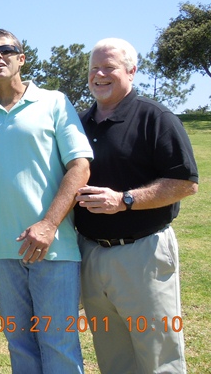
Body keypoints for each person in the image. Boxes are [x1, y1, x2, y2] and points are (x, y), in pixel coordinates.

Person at [0, 28, 92, 373]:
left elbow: (80, 166)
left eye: (6, 50)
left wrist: (49, 224)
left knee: (59, 344)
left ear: (21, 58)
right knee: (19, 345)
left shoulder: (54, 102)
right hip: (0, 250)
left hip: (54, 247)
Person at [74, 38, 198, 374]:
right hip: (91, 254)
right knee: (113, 357)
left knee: (159, 357)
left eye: (109, 67)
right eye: (94, 68)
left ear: (131, 71)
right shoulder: (79, 124)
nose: (99, 74)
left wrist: (124, 200)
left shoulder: (155, 117)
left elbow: (185, 183)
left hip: (142, 254)